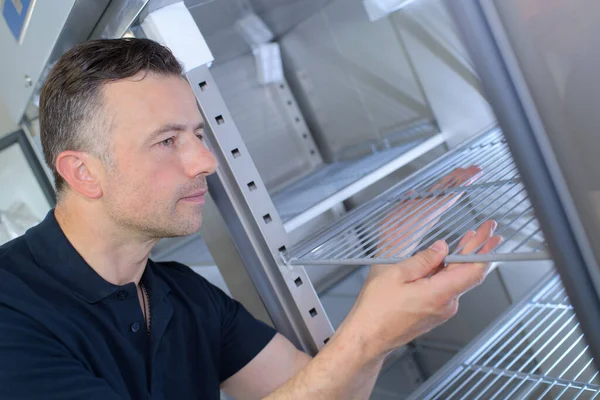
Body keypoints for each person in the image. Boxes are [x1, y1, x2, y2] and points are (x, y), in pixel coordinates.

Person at [0, 38, 501, 400]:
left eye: (198, 133)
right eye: (167, 140)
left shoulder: (184, 296)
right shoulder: (11, 309)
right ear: (84, 173)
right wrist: (368, 335)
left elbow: (324, 391)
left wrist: (383, 282)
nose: (205, 161)